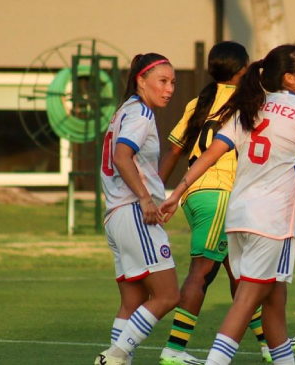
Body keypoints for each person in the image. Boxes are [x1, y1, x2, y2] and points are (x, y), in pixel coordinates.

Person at [160, 42, 295, 365]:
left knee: (274, 300)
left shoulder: (249, 108)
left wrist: (177, 191)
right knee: (246, 301)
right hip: (272, 223)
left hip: (238, 216)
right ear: (288, 78)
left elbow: (210, 154)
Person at [96, 53, 179, 365]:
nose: (169, 88)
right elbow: (121, 156)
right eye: (162, 81)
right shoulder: (141, 113)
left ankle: (117, 361)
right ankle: (113, 357)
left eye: (173, 82)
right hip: (133, 212)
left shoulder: (123, 112)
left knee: (132, 301)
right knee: (168, 295)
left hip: (116, 216)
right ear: (141, 81)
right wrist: (146, 198)